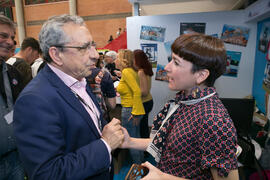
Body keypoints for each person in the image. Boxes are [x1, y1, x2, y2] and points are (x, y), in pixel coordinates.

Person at [13, 14, 124, 180]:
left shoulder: (80, 81)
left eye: (92, 45)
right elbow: (48, 173)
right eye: (84, 48)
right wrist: (105, 145)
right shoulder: (35, 100)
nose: (95, 55)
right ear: (57, 55)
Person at [121, 34, 239, 180]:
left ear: (201, 75)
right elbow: (168, 143)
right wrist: (129, 142)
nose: (167, 67)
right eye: (171, 60)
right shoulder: (186, 102)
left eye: (176, 63)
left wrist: (162, 177)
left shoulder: (213, 120)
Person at [0, 14, 24, 180]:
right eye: (3, 35)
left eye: (12, 38)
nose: (10, 42)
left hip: (15, 159)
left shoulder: (13, 73)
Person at [115, 49, 145, 164]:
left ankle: (138, 169)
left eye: (118, 57)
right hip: (133, 109)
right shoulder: (130, 71)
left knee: (132, 141)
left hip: (130, 110)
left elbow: (137, 91)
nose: (116, 60)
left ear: (123, 60)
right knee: (136, 139)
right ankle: (141, 166)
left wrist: (135, 113)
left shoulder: (127, 72)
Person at [133, 49, 154, 139]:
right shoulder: (146, 70)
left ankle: (145, 150)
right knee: (144, 126)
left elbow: (144, 92)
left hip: (144, 102)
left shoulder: (141, 72)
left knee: (142, 128)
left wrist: (133, 93)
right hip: (148, 101)